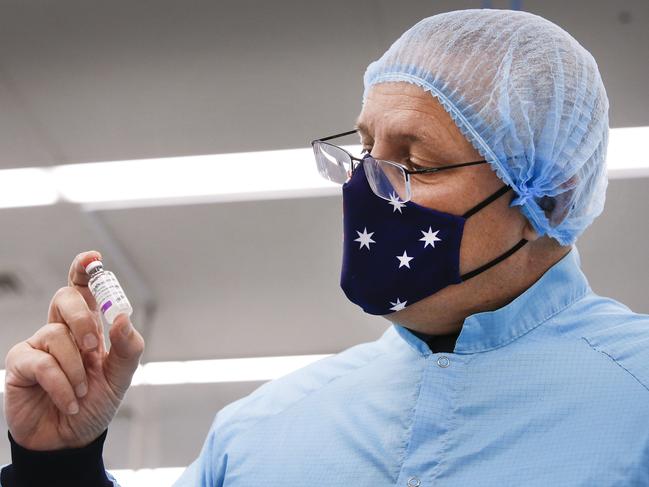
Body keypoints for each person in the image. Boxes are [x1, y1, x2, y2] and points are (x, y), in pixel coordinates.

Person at [2, 8, 649, 487]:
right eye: (365, 150)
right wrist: (57, 466)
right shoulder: (259, 433)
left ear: (549, 200)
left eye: (414, 163)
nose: (368, 187)